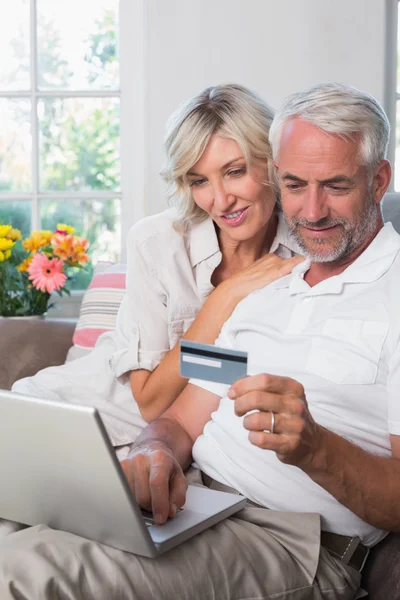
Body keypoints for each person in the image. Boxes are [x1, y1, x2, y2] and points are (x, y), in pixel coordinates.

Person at [1, 81, 394, 599]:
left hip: (286, 537)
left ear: (380, 179)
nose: (313, 210)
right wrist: (157, 451)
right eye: (296, 185)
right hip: (197, 502)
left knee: (22, 573)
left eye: (336, 186)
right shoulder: (266, 287)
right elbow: (176, 418)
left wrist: (315, 447)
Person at [11, 84, 301, 451]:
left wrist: (206, 363)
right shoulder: (157, 242)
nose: (221, 199)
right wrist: (225, 297)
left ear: (272, 161)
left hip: (171, 442)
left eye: (235, 171)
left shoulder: (302, 251)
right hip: (64, 411)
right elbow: (150, 400)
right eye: (199, 181)